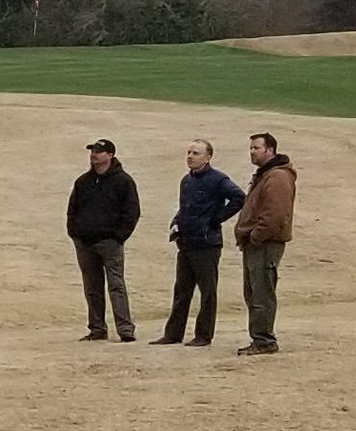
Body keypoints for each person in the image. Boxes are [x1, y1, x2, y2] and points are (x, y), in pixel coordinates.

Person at [158, 138, 243, 346]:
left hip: (207, 244)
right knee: (181, 290)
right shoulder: (186, 181)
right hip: (186, 242)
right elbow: (185, 207)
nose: (190, 156)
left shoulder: (218, 179)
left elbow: (239, 198)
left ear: (208, 157)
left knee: (207, 292)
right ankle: (173, 334)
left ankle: (203, 335)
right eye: (189, 152)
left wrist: (215, 220)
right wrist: (176, 222)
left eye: (196, 153)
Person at [64, 138, 140, 342]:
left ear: (110, 155)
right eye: (92, 151)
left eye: (98, 151)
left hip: (110, 242)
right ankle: (97, 328)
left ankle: (125, 329)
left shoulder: (123, 181)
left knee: (116, 285)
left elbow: (132, 211)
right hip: (85, 242)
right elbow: (72, 209)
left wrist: (119, 236)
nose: (94, 155)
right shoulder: (83, 182)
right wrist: (75, 233)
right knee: (92, 287)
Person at [236, 132, 298, 355]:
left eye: (256, 148)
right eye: (251, 148)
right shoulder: (267, 174)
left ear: (270, 150)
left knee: (261, 292)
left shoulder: (277, 177)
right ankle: (260, 338)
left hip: (265, 243)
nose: (252, 152)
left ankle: (264, 340)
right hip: (258, 242)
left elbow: (275, 214)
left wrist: (256, 236)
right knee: (254, 292)